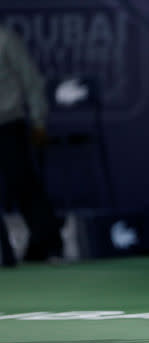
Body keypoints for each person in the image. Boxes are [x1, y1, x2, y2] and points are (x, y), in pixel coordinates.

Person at [0, 26, 63, 263]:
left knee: (24, 185)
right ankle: (5, 254)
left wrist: (38, 120)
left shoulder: (5, 39)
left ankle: (50, 246)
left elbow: (31, 80)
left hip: (7, 124)